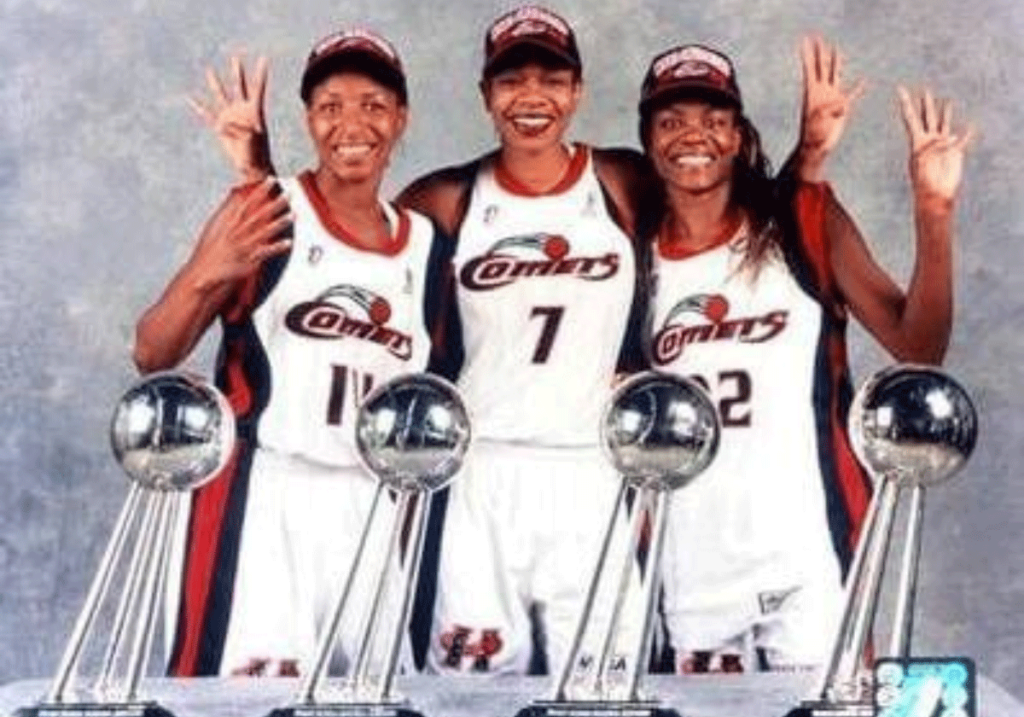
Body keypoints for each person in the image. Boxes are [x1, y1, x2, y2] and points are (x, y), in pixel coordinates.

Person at [196, 8, 845, 676]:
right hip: (478, 479)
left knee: (605, 697)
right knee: (469, 696)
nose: (531, 96)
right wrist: (257, 171)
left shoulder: (619, 182)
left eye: (552, 79)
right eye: (511, 81)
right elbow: (335, 241)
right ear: (486, 94)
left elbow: (718, 184)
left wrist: (808, 157)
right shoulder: (447, 199)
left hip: (594, 473)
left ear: (577, 92)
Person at [637, 42, 973, 673]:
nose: (693, 136)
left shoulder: (802, 226)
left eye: (714, 120)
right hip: (689, 556)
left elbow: (918, 345)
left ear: (738, 136)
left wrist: (935, 212)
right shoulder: (634, 254)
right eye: (671, 121)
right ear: (649, 141)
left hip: (809, 544)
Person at [134, 28, 454, 676]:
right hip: (262, 494)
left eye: (372, 103)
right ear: (309, 120)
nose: (351, 123)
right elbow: (152, 352)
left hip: (370, 507)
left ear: (400, 118)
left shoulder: (426, 246)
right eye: (330, 105)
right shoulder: (264, 210)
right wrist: (208, 268)